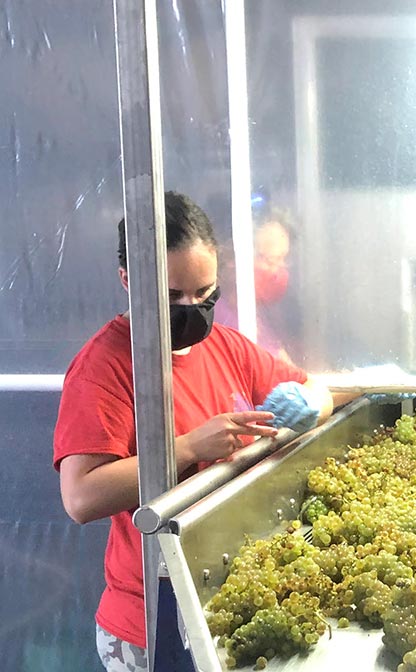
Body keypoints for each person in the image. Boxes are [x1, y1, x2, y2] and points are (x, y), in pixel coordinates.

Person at [53, 192, 336, 671]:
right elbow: (80, 497)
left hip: (225, 590)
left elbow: (317, 388)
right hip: (152, 616)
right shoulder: (106, 367)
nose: (193, 307)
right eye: (173, 296)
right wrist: (186, 447)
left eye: (205, 293)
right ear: (129, 282)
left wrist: (312, 402)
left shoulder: (225, 345)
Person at [216, 207, 299, 366]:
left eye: (283, 259)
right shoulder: (218, 322)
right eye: (269, 260)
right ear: (232, 258)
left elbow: (290, 372)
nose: (278, 271)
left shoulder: (262, 315)